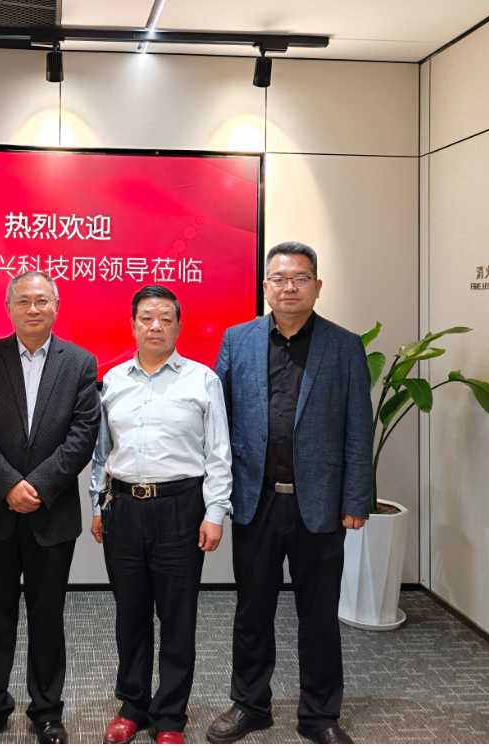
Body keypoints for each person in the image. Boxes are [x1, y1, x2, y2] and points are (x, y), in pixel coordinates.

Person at [207, 242, 371, 745]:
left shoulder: (344, 346)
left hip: (318, 504)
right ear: (265, 287)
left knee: (318, 615)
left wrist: (356, 500)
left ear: (317, 286)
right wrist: (216, 495)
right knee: (252, 611)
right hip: (256, 501)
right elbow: (218, 423)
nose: (289, 287)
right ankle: (249, 704)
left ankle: (319, 714)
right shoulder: (238, 341)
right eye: (279, 279)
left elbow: (358, 428)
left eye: (300, 278)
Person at [0, 270, 100, 745]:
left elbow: (83, 435)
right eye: (24, 301)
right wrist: (8, 486)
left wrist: (36, 486)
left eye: (42, 300)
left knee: (47, 616)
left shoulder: (80, 362)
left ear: (56, 306)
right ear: (9, 308)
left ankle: (47, 711)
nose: (33, 309)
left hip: (51, 512)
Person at [90, 285, 232, 745]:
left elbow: (218, 453)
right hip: (123, 507)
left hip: (181, 508)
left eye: (165, 319)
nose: (156, 326)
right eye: (146, 318)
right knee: (130, 614)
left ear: (178, 326)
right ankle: (132, 705)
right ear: (133, 325)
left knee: (177, 616)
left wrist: (215, 511)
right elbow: (101, 453)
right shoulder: (113, 380)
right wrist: (97, 504)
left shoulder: (202, 380)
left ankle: (170, 714)